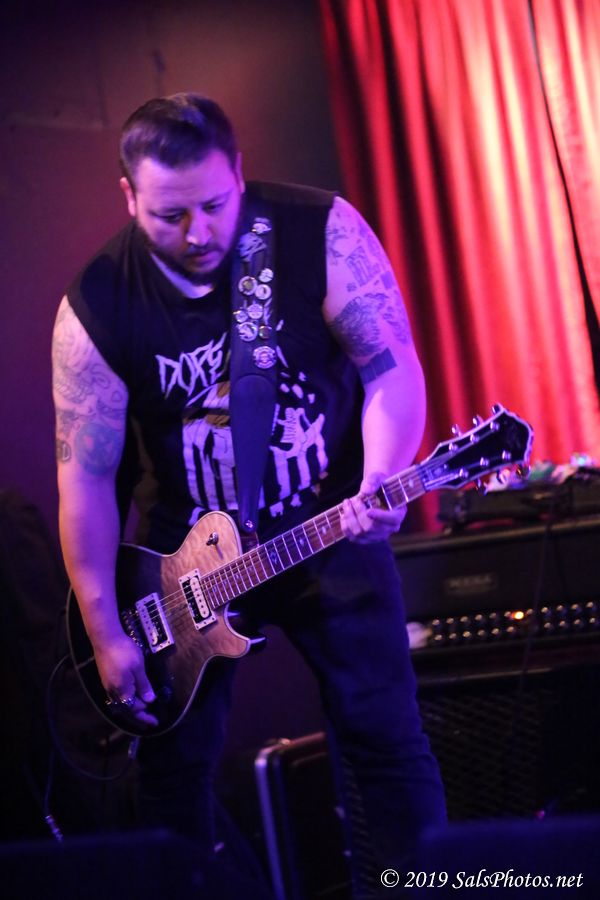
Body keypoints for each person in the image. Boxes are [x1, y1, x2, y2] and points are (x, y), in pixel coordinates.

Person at [52, 93, 446, 895]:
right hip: (185, 563)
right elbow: (85, 477)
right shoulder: (97, 303)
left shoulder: (317, 230)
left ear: (238, 172)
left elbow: (390, 367)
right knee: (173, 775)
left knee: (385, 739)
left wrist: (381, 472)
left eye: (213, 205)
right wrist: (104, 628)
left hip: (330, 525)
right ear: (128, 195)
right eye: (169, 216)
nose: (198, 233)